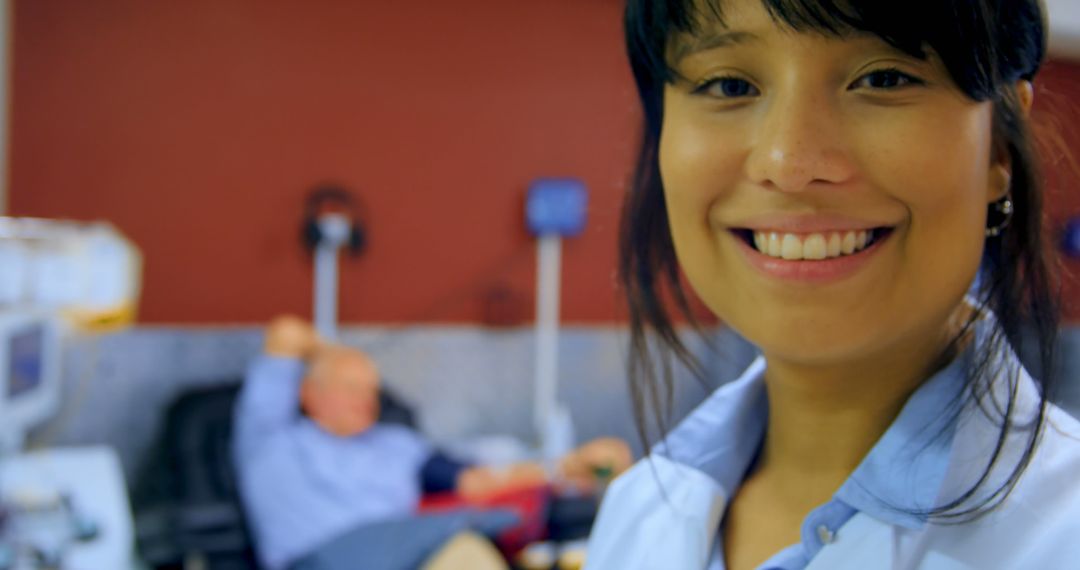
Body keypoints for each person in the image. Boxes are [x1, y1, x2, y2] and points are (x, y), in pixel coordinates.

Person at [585, 0, 1080, 569]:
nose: (789, 161)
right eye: (728, 86)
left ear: (998, 145)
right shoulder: (637, 510)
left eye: (884, 78)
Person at [233, 316, 630, 570]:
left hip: (406, 552)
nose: (365, 400)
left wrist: (564, 466)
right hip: (317, 558)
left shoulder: (396, 444)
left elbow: (474, 481)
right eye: (350, 387)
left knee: (466, 550)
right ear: (308, 393)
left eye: (371, 390)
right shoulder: (269, 437)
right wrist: (332, 357)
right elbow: (285, 332)